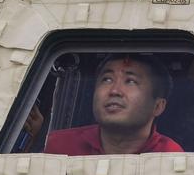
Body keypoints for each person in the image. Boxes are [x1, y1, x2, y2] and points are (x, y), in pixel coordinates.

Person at [44, 55, 183, 155]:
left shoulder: (170, 157)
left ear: (158, 106)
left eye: (130, 81)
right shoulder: (57, 146)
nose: (115, 91)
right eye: (107, 79)